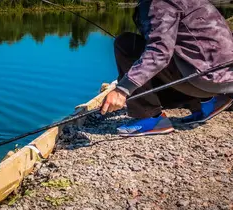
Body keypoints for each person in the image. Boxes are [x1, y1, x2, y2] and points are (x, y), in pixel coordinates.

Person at [100, 0, 233, 137]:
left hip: (206, 80)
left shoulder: (157, 3)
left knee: (126, 44)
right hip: (226, 78)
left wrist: (122, 89)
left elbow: (159, 53)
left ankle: (150, 117)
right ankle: (208, 102)